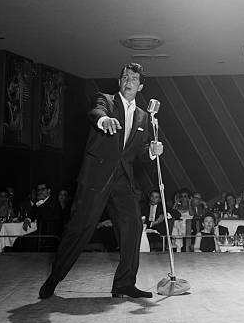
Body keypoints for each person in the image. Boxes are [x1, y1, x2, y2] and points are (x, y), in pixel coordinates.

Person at [39, 63, 163, 299]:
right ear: (119, 82)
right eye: (125, 76)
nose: (129, 81)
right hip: (96, 177)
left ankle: (124, 283)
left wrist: (152, 151)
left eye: (134, 78)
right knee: (80, 229)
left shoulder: (143, 117)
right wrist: (103, 120)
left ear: (140, 86)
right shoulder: (105, 100)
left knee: (133, 226)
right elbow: (96, 111)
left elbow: (138, 152)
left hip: (122, 181)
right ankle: (54, 278)